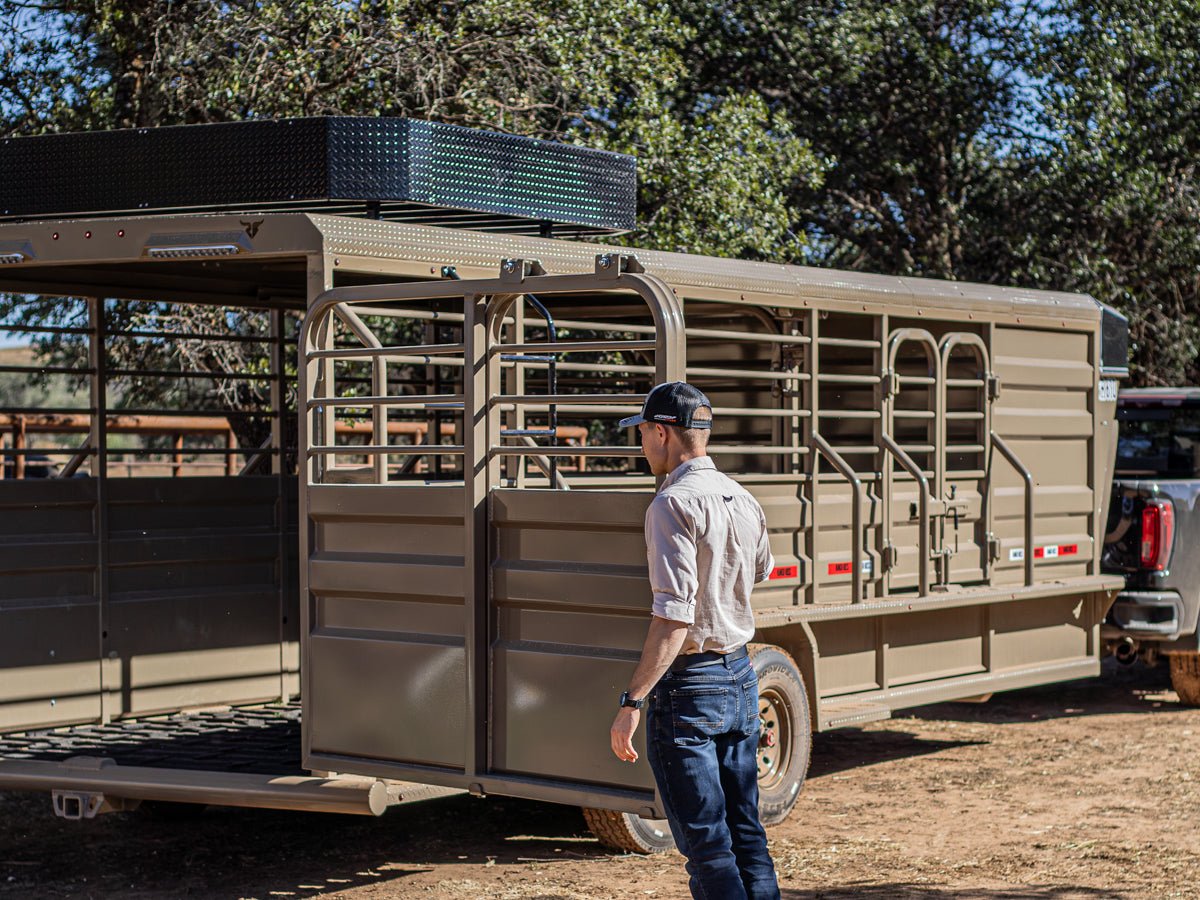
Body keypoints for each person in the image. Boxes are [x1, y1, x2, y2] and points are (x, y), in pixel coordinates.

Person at [609, 381, 780, 900]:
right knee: (746, 830)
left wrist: (632, 701)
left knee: (707, 844)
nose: (641, 445)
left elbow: (673, 618)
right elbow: (763, 570)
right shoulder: (742, 496)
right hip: (739, 674)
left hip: (689, 687)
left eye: (641, 433)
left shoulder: (670, 505)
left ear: (662, 432)